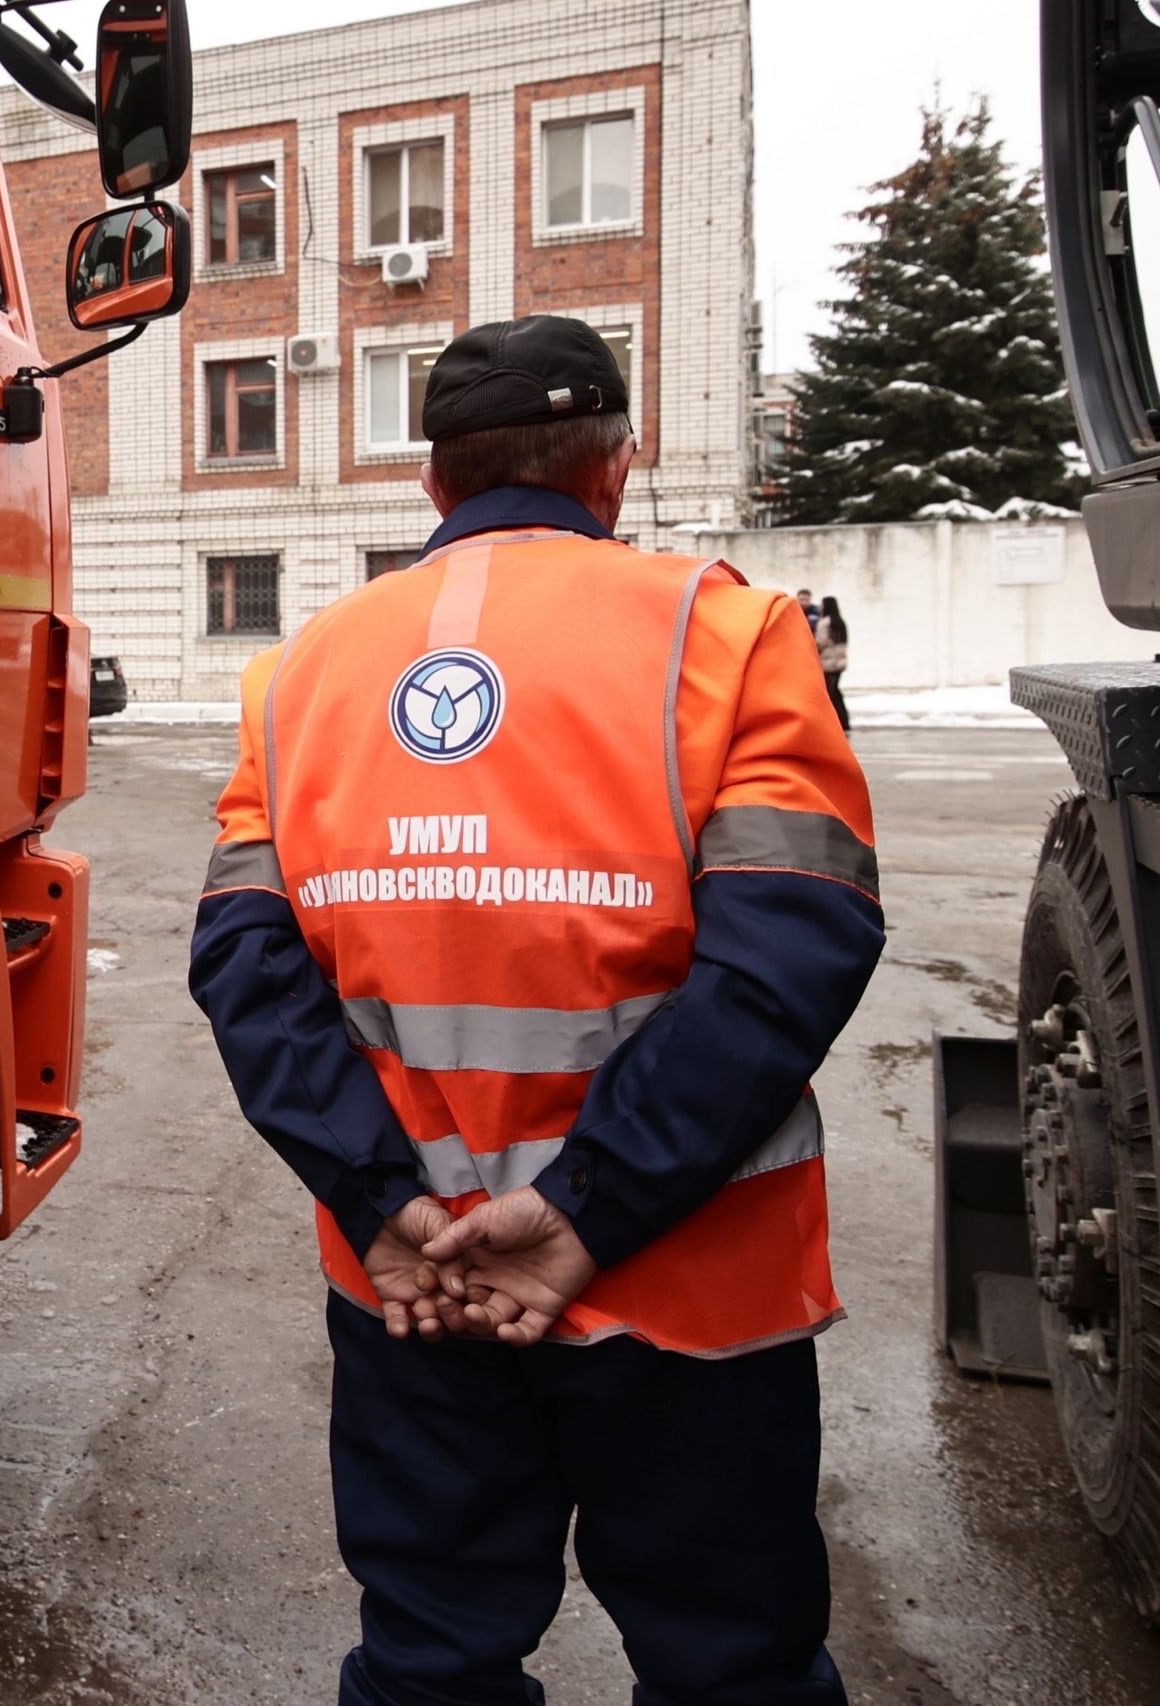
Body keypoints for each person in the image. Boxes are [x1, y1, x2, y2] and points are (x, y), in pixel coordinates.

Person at [188, 315, 882, 1706]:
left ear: (436, 484)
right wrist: (589, 1208)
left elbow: (245, 969)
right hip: (688, 1291)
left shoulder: (302, 670)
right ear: (615, 469)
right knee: (732, 1661)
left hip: (417, 1281)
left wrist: (385, 1198)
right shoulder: (732, 633)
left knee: (433, 1656)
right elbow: (789, 952)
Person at [820, 595, 852, 732]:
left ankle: (834, 722)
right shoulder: (840, 623)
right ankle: (844, 720)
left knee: (830, 694)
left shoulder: (824, 623)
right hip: (840, 662)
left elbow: (820, 642)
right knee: (836, 693)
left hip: (827, 663)